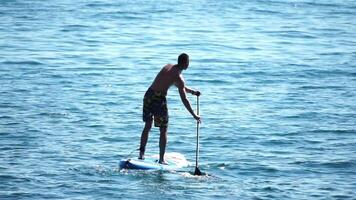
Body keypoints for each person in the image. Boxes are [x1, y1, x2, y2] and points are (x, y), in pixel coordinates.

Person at [139, 53, 201, 164]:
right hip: (159, 99)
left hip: (148, 95)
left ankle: (141, 154)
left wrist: (193, 92)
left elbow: (179, 86)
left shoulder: (168, 66)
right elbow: (184, 99)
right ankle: (161, 159)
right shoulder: (178, 77)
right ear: (186, 64)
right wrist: (194, 115)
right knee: (163, 129)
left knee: (147, 125)